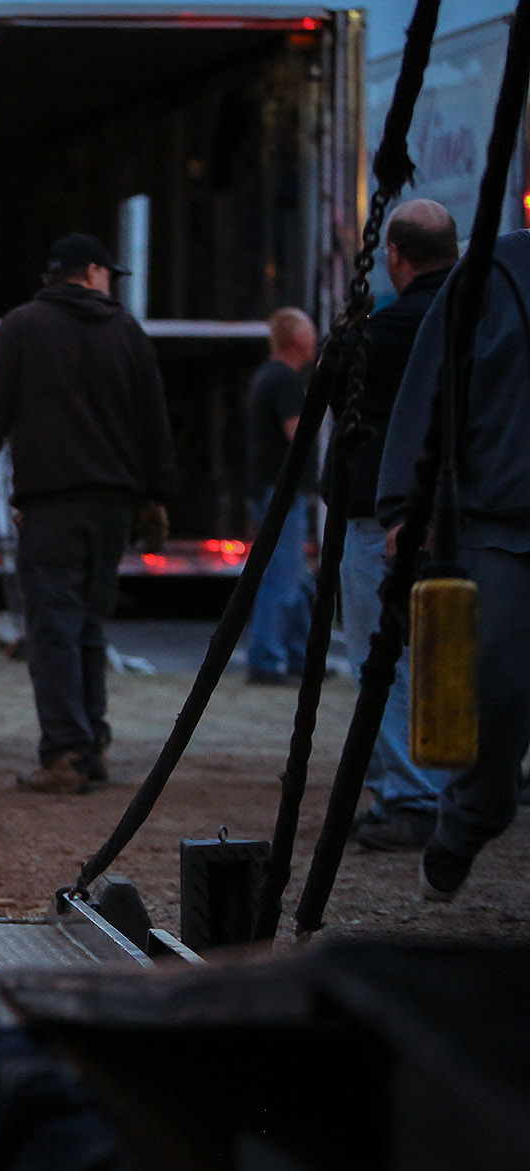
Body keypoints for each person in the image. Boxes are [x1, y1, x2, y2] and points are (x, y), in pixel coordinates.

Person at [0, 233, 176, 794]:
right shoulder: (127, 332)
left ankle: (66, 753)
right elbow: (154, 419)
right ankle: (91, 741)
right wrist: (156, 495)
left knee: (52, 626)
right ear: (94, 272)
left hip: (51, 503)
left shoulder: (24, 327)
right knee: (90, 627)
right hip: (113, 506)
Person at [378, 227, 530, 901]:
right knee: (495, 691)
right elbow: (429, 391)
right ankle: (473, 812)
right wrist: (404, 507)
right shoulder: (493, 273)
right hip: (505, 523)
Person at [330, 199, 457, 851]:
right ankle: (449, 782)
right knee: (451, 653)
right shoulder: (480, 323)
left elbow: (332, 389)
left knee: (384, 658)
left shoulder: (380, 333)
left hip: (382, 518)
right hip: (470, 516)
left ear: (395, 257)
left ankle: (408, 792)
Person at [243, 308, 319, 685]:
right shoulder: (284, 381)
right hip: (281, 491)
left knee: (294, 577)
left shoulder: (266, 376)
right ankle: (268, 660)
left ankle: (298, 655)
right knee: (283, 578)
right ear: (297, 339)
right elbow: (298, 433)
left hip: (268, 489)